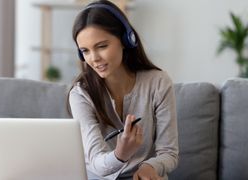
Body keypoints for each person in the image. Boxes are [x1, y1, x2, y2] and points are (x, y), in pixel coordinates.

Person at [67, 0, 179, 179]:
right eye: (85, 51)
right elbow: (96, 162)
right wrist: (121, 154)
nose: (94, 58)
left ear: (126, 39)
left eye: (102, 46)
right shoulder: (81, 94)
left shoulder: (158, 82)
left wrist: (151, 166)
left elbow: (169, 152)